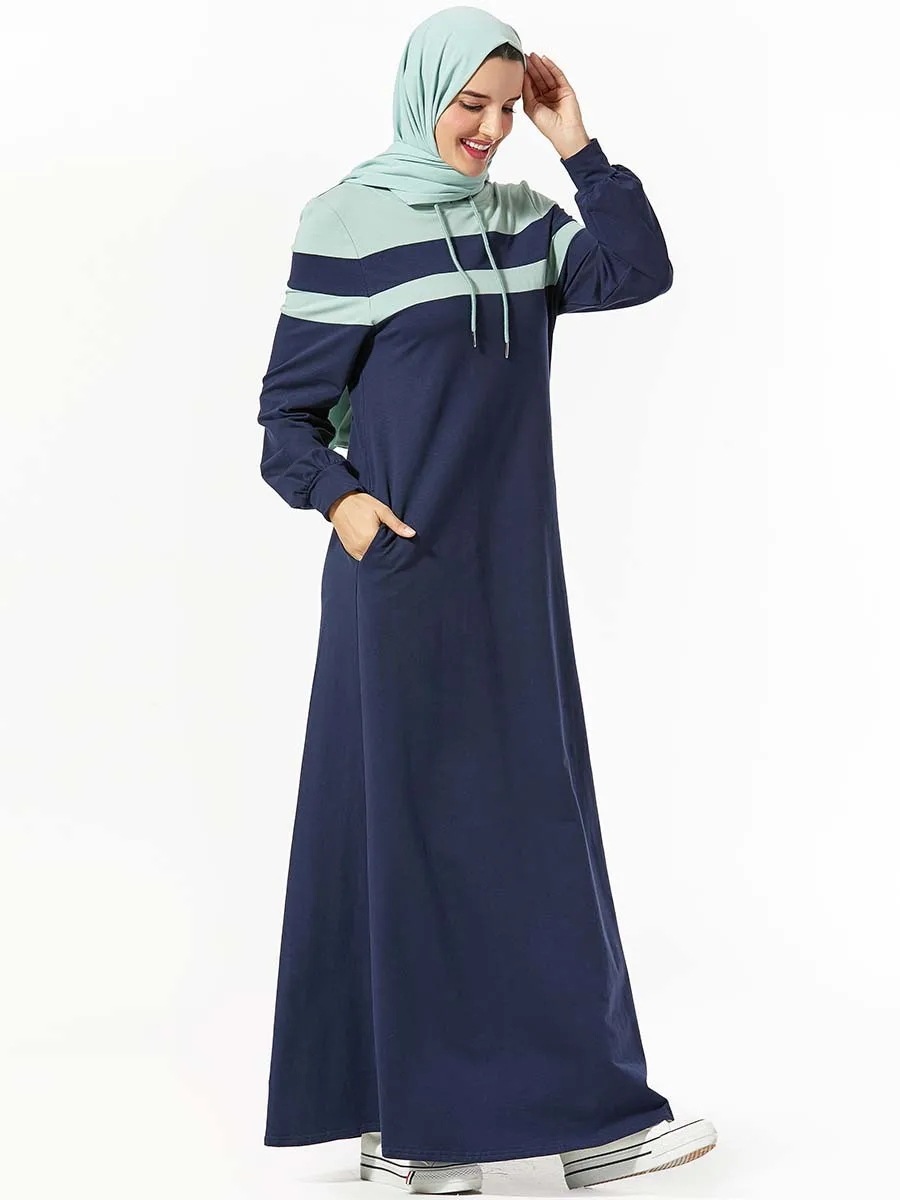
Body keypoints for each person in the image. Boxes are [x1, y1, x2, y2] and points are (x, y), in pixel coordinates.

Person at [256, 5, 717, 1192]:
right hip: (402, 585)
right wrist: (348, 508)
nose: (492, 129)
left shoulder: (522, 222)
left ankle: (588, 1120)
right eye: (474, 105)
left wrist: (580, 148)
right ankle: (412, 1131)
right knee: (408, 843)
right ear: (425, 94)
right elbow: (286, 421)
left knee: (533, 839)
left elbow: (639, 271)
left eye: (510, 108)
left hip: (513, 585)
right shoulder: (347, 222)